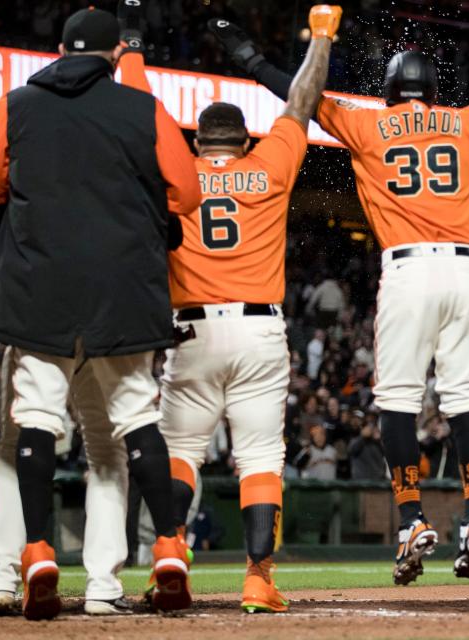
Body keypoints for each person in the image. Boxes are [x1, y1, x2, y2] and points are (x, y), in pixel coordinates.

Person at [209, 19, 469, 584]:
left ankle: (411, 519)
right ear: (434, 89)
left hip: (409, 270)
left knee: (398, 401)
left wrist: (245, 52)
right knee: (464, 399)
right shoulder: (462, 123)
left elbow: (297, 92)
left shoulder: (369, 125)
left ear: (388, 89)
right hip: (466, 271)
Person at [116, 1, 339, 613]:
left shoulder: (178, 172)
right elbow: (302, 103)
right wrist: (319, 36)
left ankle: (171, 555)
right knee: (261, 457)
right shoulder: (266, 165)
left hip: (188, 333)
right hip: (259, 331)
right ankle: (257, 578)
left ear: (197, 140)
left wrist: (131, 43)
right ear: (243, 141)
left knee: (181, 453)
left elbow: (139, 113)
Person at [0, 7, 201, 620]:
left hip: (39, 289)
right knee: (128, 428)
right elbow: (185, 194)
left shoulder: (17, 104)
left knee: (27, 424)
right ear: (115, 55)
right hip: (122, 292)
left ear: (58, 49)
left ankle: (29, 555)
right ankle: (151, 556)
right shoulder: (142, 107)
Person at [0, 348, 133, 616]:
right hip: (97, 334)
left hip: (34, 331)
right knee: (106, 451)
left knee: (14, 446)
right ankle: (103, 588)